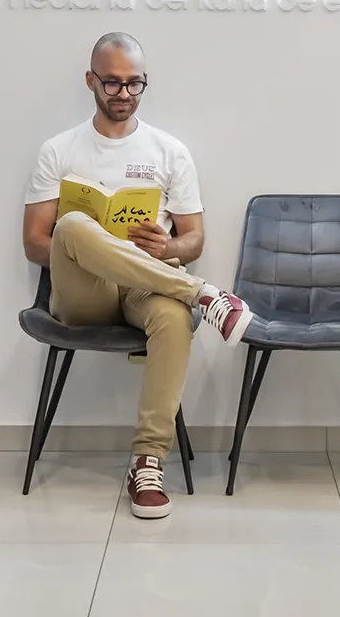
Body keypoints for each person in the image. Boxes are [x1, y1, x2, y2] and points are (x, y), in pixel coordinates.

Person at [22, 32, 250, 519]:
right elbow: (35, 243)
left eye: (134, 84)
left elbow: (194, 239)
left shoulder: (170, 151)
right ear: (91, 81)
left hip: (147, 285)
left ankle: (148, 462)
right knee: (72, 225)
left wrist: (168, 247)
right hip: (84, 294)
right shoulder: (58, 150)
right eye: (112, 83)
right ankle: (203, 295)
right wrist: (86, 246)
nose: (123, 94)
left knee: (172, 318)